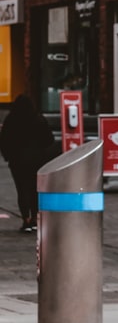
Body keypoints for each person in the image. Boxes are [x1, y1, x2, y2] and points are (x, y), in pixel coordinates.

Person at [0, 94, 56, 232]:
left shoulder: (11, 120)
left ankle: (25, 219)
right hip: (37, 160)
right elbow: (49, 139)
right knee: (35, 190)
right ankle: (35, 218)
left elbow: (4, 140)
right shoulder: (38, 119)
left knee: (22, 189)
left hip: (17, 161)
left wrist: (8, 156)